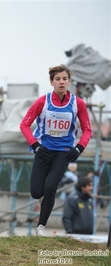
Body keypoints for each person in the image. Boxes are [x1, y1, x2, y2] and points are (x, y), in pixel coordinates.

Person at [20, 64, 92, 236]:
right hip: (43, 150)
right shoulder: (43, 101)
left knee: (51, 187)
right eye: (57, 79)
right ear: (51, 82)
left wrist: (79, 148)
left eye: (65, 79)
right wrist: (35, 144)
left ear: (69, 82)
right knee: (37, 192)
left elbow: (87, 129)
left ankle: (41, 227)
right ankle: (45, 196)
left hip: (64, 152)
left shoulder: (78, 103)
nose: (61, 82)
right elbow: (24, 125)